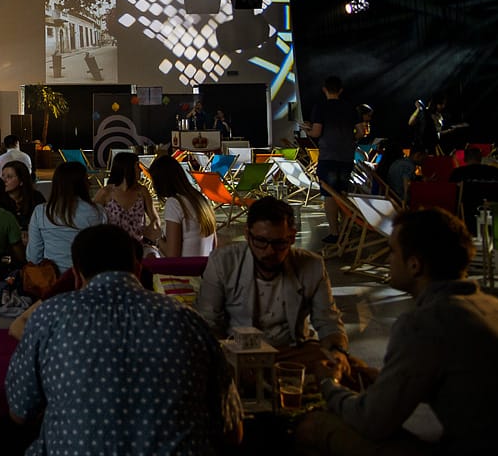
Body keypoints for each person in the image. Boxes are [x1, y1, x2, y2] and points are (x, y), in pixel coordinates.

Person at [5, 225, 242, 454]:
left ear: (76, 276)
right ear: (138, 270)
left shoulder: (50, 317)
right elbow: (232, 429)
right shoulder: (186, 320)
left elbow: (19, 413)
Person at [297, 209, 498, 455]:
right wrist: (387, 379)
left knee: (316, 425)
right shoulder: (489, 306)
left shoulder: (424, 323)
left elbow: (371, 421)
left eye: (392, 251)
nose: (388, 259)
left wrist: (328, 383)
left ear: (414, 265)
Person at [196, 197, 349, 370]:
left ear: (292, 237)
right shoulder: (223, 262)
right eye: (261, 241)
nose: (269, 251)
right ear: (247, 235)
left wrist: (337, 352)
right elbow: (208, 322)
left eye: (279, 243)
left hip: (294, 351)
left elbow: (328, 321)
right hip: (240, 352)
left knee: (347, 367)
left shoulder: (312, 266)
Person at [26, 161, 106, 272]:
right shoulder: (98, 212)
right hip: (87, 276)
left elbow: (34, 257)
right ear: (83, 184)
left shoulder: (41, 211)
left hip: (53, 278)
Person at [305, 75, 357, 245]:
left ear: (324, 89)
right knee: (343, 193)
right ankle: (347, 229)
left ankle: (335, 232)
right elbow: (360, 132)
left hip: (329, 156)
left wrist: (307, 130)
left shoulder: (321, 107)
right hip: (347, 156)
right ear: (340, 90)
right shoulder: (350, 107)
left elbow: (316, 132)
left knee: (329, 194)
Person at [148, 153, 217, 258]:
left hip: (185, 266)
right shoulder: (200, 199)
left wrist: (156, 238)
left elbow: (173, 255)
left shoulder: (175, 203)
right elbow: (214, 244)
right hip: (205, 264)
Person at [94, 151, 162, 248]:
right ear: (128, 168)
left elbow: (155, 218)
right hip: (112, 246)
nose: (141, 170)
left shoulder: (142, 191)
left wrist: (150, 231)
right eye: (137, 166)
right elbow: (91, 216)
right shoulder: (106, 192)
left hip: (138, 246)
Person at [0, 160, 45, 230]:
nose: (4, 180)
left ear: (21, 181)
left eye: (9, 177)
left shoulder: (36, 197)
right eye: (3, 176)